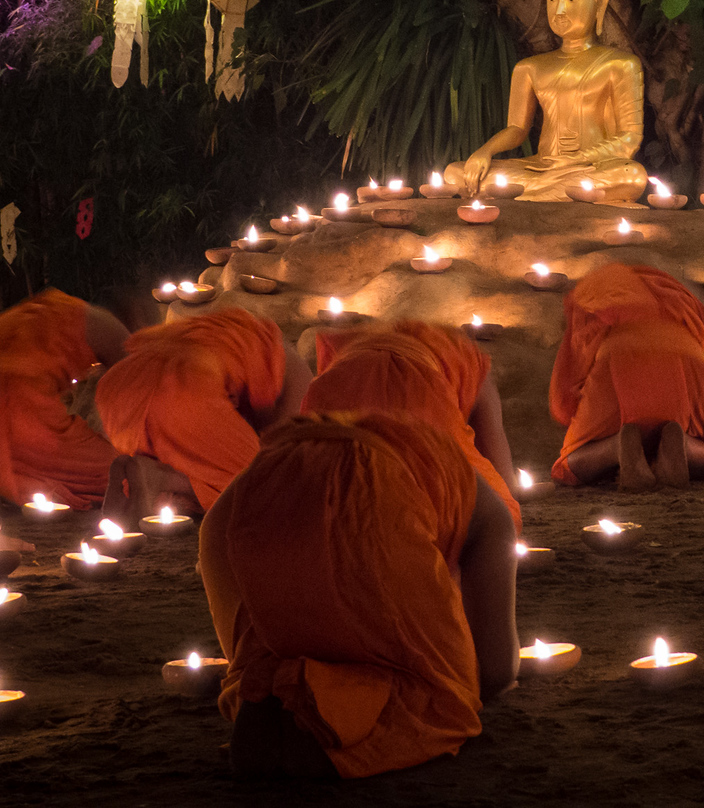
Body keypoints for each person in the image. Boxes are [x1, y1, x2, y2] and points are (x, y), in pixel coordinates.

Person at [199, 411, 518, 779]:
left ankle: (268, 695)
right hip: (371, 506)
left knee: (281, 650)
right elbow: (494, 672)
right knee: (442, 698)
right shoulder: (491, 514)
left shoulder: (424, 459)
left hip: (246, 509)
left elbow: (217, 530)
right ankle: (320, 750)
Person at [445, 0, 648, 202]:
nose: (560, 9)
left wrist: (576, 160)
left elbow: (630, 138)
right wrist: (484, 152)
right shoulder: (531, 68)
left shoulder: (621, 65)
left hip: (590, 167)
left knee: (632, 176)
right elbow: (516, 129)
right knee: (454, 173)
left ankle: (528, 196)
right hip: (542, 167)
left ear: (600, 6)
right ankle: (556, 194)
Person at [95, 308, 312, 520]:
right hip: (182, 386)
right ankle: (161, 480)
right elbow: (278, 457)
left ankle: (141, 478)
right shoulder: (302, 382)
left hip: (120, 388)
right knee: (260, 487)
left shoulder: (237, 335)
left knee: (209, 468)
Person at [305, 321, 521, 530]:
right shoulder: (468, 359)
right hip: (419, 391)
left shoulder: (345, 347)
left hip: (335, 387)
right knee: (496, 517)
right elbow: (499, 468)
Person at [549, 263, 704, 490]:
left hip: (618, 366)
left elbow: (568, 382)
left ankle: (617, 447)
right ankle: (684, 447)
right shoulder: (673, 293)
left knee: (570, 464)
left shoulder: (589, 296)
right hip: (692, 370)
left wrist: (574, 417)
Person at [0, 289, 127, 509]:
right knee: (122, 469)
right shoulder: (112, 333)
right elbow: (136, 392)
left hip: (0, 396)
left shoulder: (67, 312)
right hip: (21, 406)